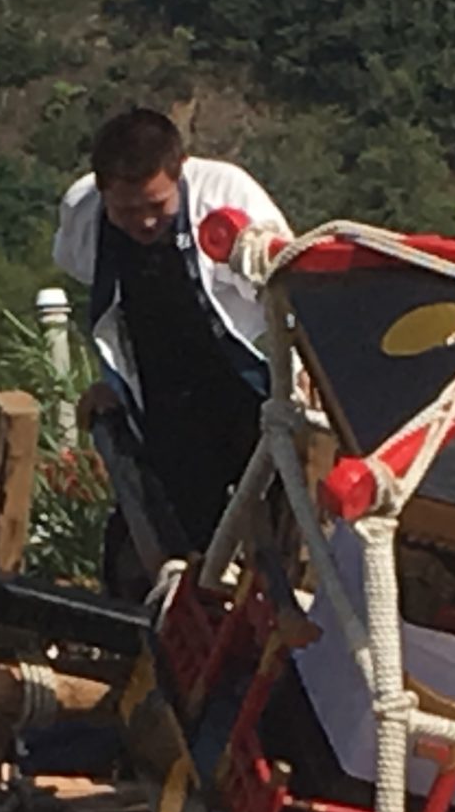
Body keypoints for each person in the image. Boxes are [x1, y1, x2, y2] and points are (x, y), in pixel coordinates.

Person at [54, 106, 290, 547]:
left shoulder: (227, 194)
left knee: (274, 525)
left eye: (156, 205)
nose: (144, 221)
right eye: (126, 210)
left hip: (247, 386)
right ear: (103, 192)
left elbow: (283, 287)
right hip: (164, 392)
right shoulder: (83, 214)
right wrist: (112, 387)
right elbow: (103, 302)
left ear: (179, 171)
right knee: (178, 531)